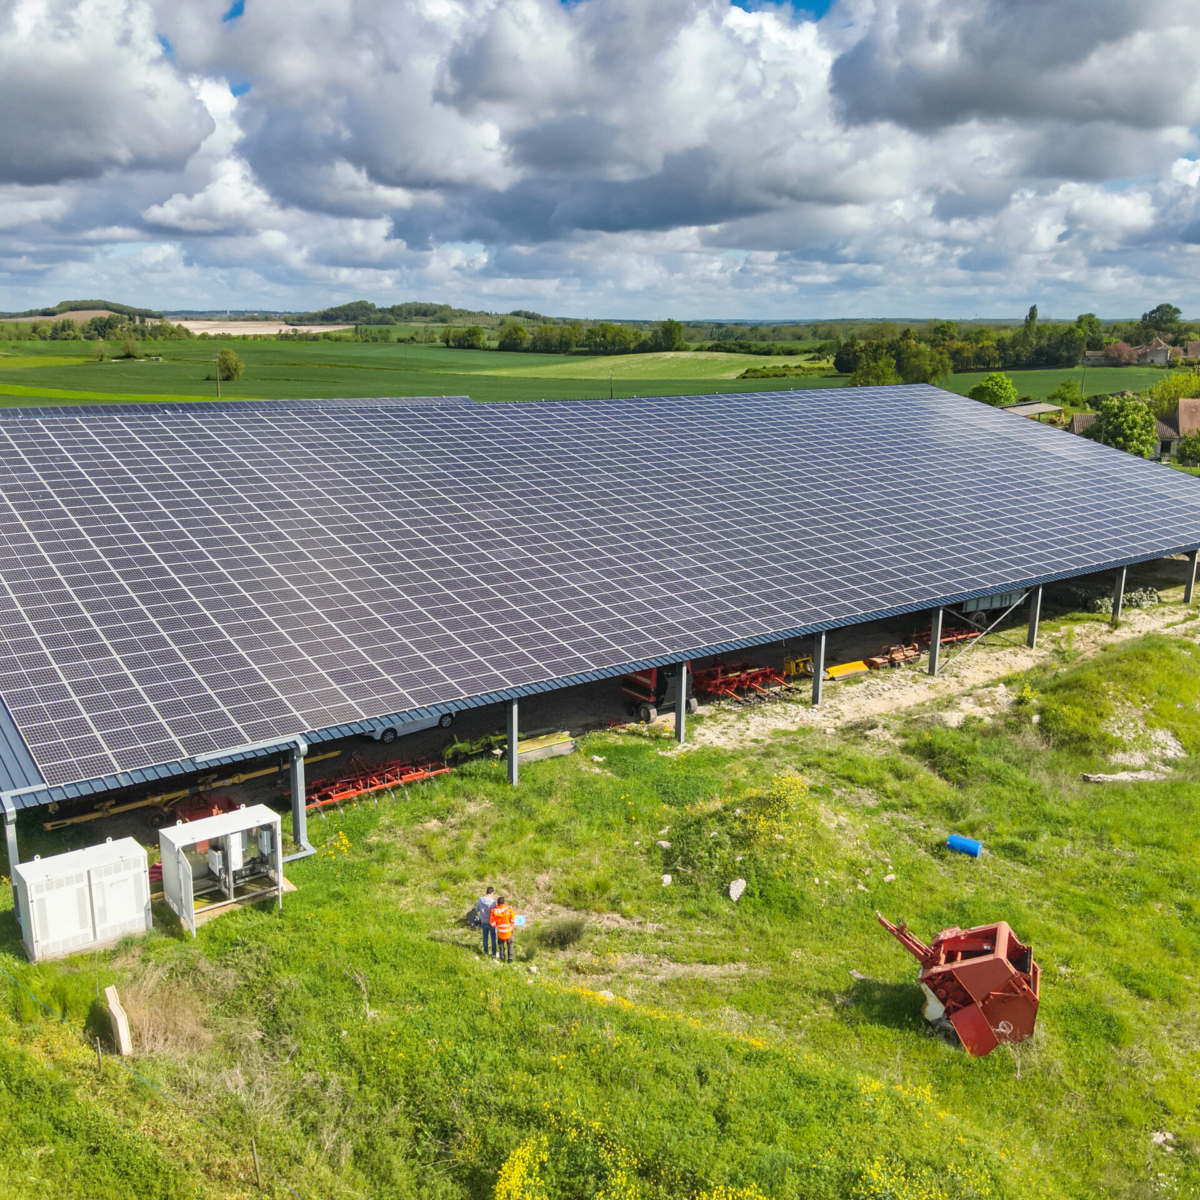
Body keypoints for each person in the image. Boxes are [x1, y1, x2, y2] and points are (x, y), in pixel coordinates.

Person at [490, 895, 516, 963]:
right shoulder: (509, 910)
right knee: (510, 944)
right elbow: (513, 921)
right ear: (504, 903)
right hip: (508, 931)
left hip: (500, 932)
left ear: (497, 903)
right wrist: (510, 925)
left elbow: (492, 923)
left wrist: (497, 924)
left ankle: (502, 957)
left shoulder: (494, 911)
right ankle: (510, 958)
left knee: (501, 945)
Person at [476, 886, 497, 957]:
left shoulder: (480, 900)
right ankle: (494, 953)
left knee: (485, 937)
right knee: (493, 938)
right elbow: (495, 913)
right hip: (491, 922)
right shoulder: (493, 902)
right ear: (492, 893)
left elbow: (477, 909)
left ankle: (486, 951)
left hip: (483, 921)